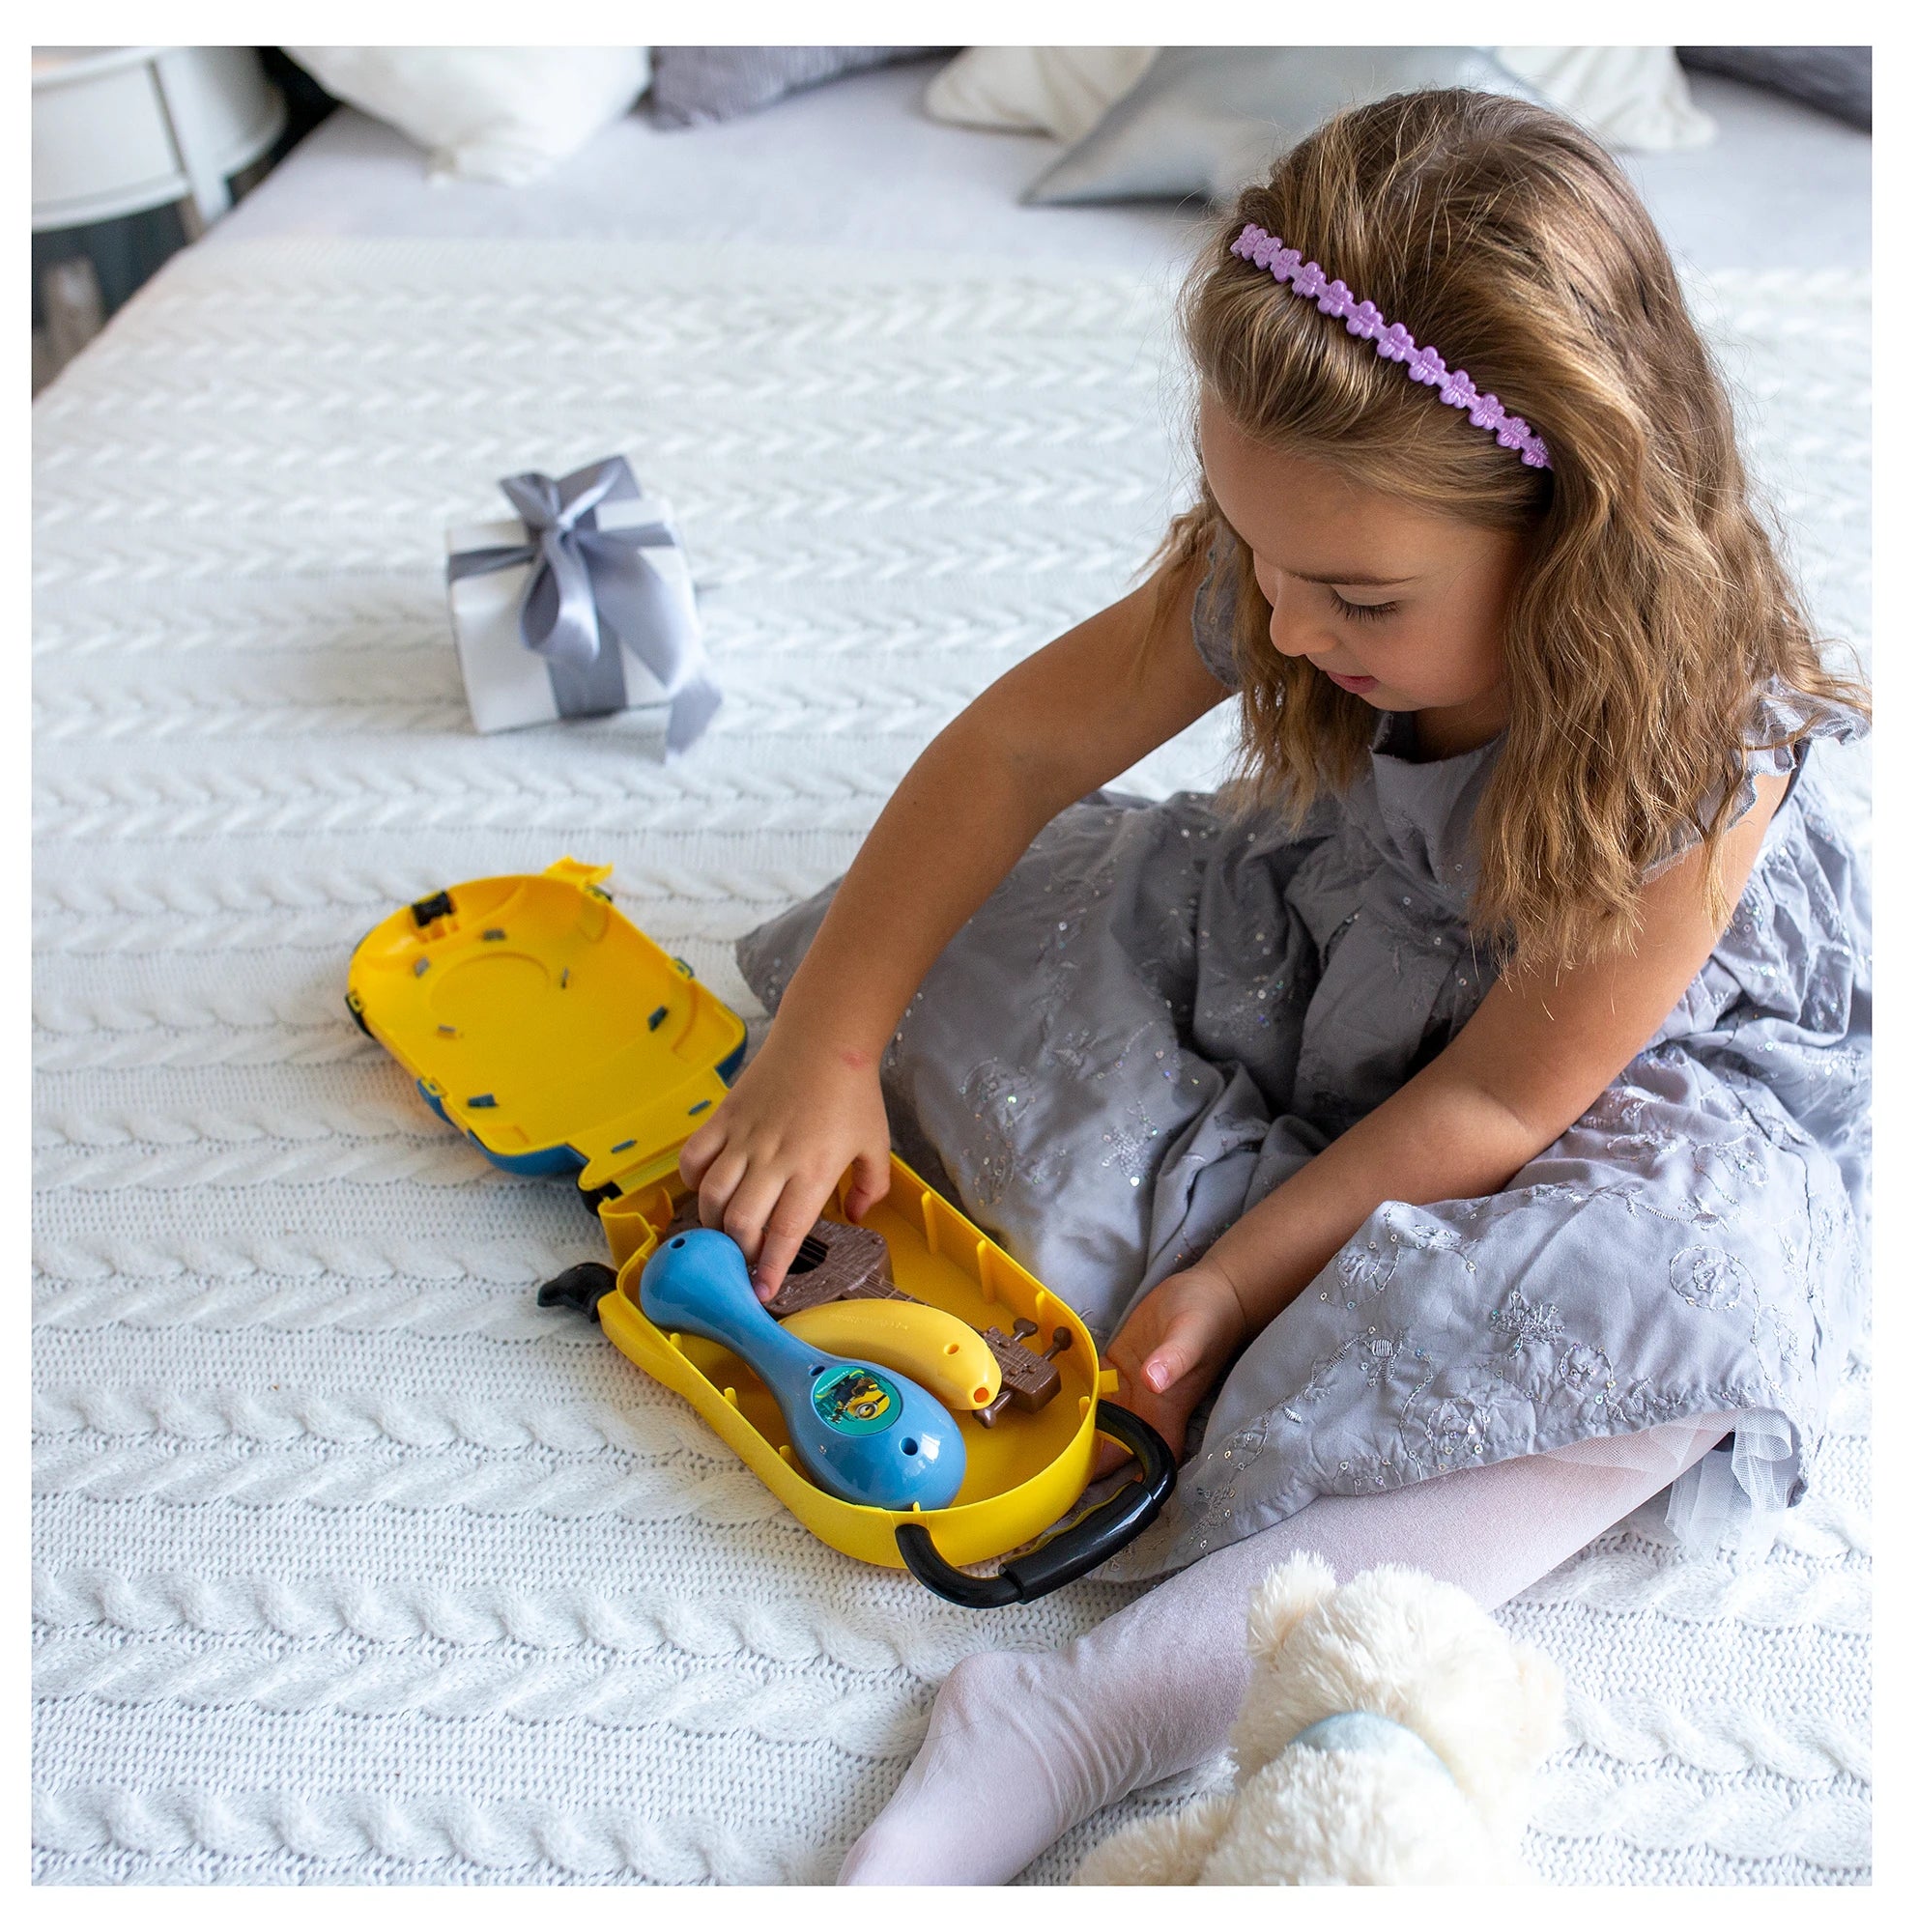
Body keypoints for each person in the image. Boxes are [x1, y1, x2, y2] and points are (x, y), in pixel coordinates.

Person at [678, 89, 1871, 1884]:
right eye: (1259, 558)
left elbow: (1497, 1098)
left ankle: (1085, 1715)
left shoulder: (1706, 750)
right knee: (960, 950)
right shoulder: (1297, 551)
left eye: (1360, 602)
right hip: (1329, 945)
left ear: (1574, 537)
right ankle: (1227, 1281)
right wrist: (826, 1051)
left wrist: (1237, 1284)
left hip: (1582, 1078)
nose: (1289, 630)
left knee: (1684, 1313)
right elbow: (1015, 753)